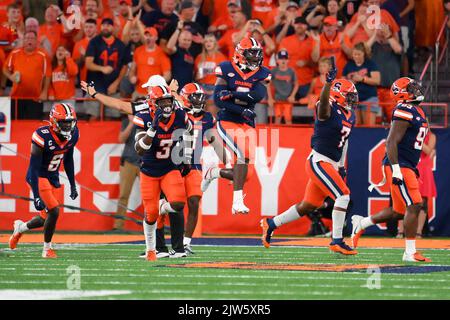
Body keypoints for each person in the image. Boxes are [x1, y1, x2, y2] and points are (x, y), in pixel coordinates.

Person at [261, 58, 359, 255]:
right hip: (319, 161)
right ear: (337, 96)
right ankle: (337, 240)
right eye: (348, 96)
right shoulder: (327, 107)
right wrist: (327, 85)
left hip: (331, 162)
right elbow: (323, 110)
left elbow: (345, 141)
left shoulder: (350, 115)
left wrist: (341, 164)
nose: (352, 100)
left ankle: (270, 224)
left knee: (308, 206)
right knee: (343, 195)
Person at [351, 77, 432, 262]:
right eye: (411, 88)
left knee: (398, 212)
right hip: (400, 164)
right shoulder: (404, 109)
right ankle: (410, 252)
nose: (416, 90)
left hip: (407, 164)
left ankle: (361, 223)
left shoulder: (416, 110)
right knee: (415, 204)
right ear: (402, 93)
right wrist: (396, 169)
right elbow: (391, 141)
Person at [201, 37, 271, 215]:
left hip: (247, 122)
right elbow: (217, 100)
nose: (256, 58)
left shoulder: (262, 72)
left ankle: (212, 173)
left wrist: (230, 94)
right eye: (251, 54)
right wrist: (240, 109)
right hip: (227, 119)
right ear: (241, 54)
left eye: (257, 54)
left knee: (246, 175)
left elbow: (257, 96)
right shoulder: (226, 68)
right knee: (243, 153)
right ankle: (237, 202)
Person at [9, 103, 79, 258]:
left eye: (70, 122)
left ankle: (20, 228)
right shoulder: (42, 136)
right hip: (38, 176)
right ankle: (47, 249)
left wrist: (73, 185)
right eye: (63, 122)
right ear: (54, 121)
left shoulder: (73, 135)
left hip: (53, 177)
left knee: (44, 218)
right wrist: (36, 196)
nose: (68, 126)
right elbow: (33, 168)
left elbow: (68, 161)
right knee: (54, 210)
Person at [133, 85, 192, 261]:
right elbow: (139, 149)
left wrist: (186, 156)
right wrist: (153, 128)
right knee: (150, 215)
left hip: (169, 167)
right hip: (149, 171)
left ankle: (160, 207)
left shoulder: (180, 115)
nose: (167, 105)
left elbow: (189, 132)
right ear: (153, 103)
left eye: (169, 100)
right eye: (162, 101)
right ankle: (151, 250)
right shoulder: (143, 117)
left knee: (179, 203)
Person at [178, 82, 217, 254]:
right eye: (195, 98)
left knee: (194, 202)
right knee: (171, 204)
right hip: (174, 163)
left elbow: (214, 139)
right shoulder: (177, 113)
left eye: (201, 98)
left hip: (194, 163)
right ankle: (157, 242)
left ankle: (186, 242)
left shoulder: (208, 118)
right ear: (185, 99)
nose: (199, 102)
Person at [84, 17, 128, 120]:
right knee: (93, 115)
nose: (105, 27)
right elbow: (88, 64)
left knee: (111, 116)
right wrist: (102, 68)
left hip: (113, 85)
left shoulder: (120, 44)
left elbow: (125, 66)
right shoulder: (94, 42)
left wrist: (116, 83)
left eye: (108, 25)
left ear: (113, 27)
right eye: (103, 25)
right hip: (95, 84)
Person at [3, 30, 51, 119]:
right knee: (16, 125)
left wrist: (44, 92)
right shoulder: (14, 53)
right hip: (16, 97)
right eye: (27, 38)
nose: (29, 40)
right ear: (23, 40)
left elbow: (48, 75)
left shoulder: (43, 55)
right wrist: (11, 77)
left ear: (36, 40)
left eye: (32, 38)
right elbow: (5, 69)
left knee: (33, 125)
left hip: (35, 97)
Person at [398, 129, 436, 238]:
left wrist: (418, 139)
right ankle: (401, 231)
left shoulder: (431, 136)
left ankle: (418, 232)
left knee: (423, 201)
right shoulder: (409, 133)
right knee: (405, 199)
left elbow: (429, 151)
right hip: (411, 166)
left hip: (424, 170)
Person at [366, 24, 402, 123]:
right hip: (374, 90)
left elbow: (399, 49)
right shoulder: (373, 46)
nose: (382, 31)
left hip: (390, 89)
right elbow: (364, 49)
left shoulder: (393, 45)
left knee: (394, 119)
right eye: (380, 29)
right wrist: (374, 34)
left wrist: (388, 35)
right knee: (376, 120)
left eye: (384, 29)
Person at [279, 16, 320, 101]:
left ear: (306, 26)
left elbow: (316, 60)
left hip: (306, 82)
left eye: (302, 24)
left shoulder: (313, 41)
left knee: (306, 111)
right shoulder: (286, 41)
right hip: (288, 82)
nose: (299, 25)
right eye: (297, 23)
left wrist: (306, 63)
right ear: (294, 25)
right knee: (287, 110)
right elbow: (280, 61)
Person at [114, 112, 141, 231]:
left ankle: (156, 225)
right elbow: (121, 139)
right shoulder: (127, 121)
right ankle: (118, 225)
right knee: (123, 195)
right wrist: (131, 123)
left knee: (153, 196)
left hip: (145, 162)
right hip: (129, 161)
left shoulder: (149, 121)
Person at [343, 42, 380, 125]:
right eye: (354, 54)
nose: (356, 56)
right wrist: (350, 82)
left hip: (369, 97)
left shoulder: (371, 64)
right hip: (353, 99)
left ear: (364, 54)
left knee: (369, 126)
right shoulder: (349, 64)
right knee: (355, 126)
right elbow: (343, 80)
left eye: (358, 54)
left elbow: (377, 80)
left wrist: (362, 79)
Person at [129, 27, 171, 98]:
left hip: (153, 94)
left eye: (150, 36)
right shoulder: (138, 50)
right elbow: (133, 68)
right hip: (138, 92)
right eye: (146, 36)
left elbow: (167, 75)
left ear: (156, 38)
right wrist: (132, 77)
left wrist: (156, 84)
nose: (148, 38)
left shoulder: (161, 53)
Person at [194, 33, 227, 113]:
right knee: (200, 114)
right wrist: (199, 75)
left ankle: (212, 125)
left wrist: (215, 90)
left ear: (215, 43)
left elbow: (224, 78)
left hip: (214, 88)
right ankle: (201, 125)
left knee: (210, 113)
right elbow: (196, 77)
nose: (208, 43)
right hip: (201, 87)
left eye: (211, 41)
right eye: (206, 41)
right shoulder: (199, 57)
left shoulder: (221, 57)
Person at [267, 50, 298, 125]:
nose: (283, 61)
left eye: (285, 59)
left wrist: (292, 96)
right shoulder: (273, 71)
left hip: (288, 100)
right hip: (277, 99)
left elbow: (296, 84)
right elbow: (267, 84)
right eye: (281, 59)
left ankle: (290, 136)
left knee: (288, 120)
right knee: (277, 119)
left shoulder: (291, 71)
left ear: (288, 60)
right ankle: (277, 136)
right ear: (277, 60)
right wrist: (270, 98)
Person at [47, 45, 79, 110]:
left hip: (69, 99)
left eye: (62, 50)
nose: (60, 52)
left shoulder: (70, 62)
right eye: (58, 50)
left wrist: (68, 58)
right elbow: (49, 83)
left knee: (68, 119)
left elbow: (74, 72)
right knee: (56, 119)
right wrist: (51, 93)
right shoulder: (51, 66)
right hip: (56, 100)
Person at [72, 19, 98, 85]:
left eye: (91, 27)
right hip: (84, 82)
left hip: (99, 82)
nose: (88, 29)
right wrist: (82, 57)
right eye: (86, 27)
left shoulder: (101, 43)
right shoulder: (79, 44)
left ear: (96, 28)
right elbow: (76, 66)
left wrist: (86, 54)